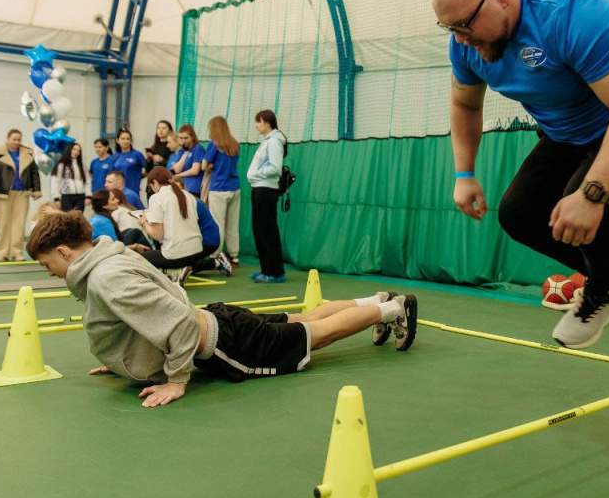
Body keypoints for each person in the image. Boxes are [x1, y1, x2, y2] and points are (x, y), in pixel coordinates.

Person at [432, 0, 609, 350]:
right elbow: (465, 104)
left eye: (464, 25)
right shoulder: (465, 43)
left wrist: (591, 194)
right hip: (567, 134)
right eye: (449, 28)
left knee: (588, 212)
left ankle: (603, 289)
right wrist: (464, 174)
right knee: (518, 214)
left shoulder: (575, 12)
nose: (461, 39)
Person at [26, 210, 418, 407]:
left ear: (63, 251)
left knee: (317, 333)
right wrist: (122, 358)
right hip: (218, 319)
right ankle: (377, 300)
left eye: (48, 265)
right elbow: (158, 304)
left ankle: (394, 309)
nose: (50, 274)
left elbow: (176, 320)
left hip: (226, 343)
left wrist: (177, 380)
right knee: (305, 317)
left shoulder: (106, 278)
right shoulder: (112, 258)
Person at [136, 166, 221, 282]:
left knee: (138, 259)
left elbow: (157, 235)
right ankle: (176, 271)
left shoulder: (156, 198)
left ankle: (173, 272)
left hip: (177, 255)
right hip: (197, 252)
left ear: (154, 182)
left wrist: (144, 222)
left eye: (150, 186)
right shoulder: (189, 196)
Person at [0, 129, 42, 262]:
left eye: (18, 139)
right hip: (3, 194)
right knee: (4, 223)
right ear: (8, 138)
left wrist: (36, 190)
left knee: (19, 223)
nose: (16, 142)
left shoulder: (27, 154)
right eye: (14, 139)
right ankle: (1, 253)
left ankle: (16, 252)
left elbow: (34, 172)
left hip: (22, 193)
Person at [247, 109, 287, 283]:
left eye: (258, 121)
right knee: (259, 229)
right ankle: (266, 268)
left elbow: (275, 168)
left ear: (267, 123)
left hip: (266, 190)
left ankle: (275, 272)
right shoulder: (267, 141)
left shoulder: (274, 142)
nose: (256, 125)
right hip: (259, 189)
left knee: (267, 230)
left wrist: (256, 174)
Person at [202, 115, 241, 265]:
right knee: (232, 224)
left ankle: (216, 255)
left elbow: (205, 165)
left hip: (218, 188)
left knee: (218, 223)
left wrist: (212, 166)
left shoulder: (214, 144)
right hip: (235, 187)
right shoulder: (235, 144)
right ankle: (234, 255)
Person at [51, 143, 90, 213]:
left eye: (78, 150)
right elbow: (55, 181)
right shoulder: (61, 165)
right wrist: (56, 198)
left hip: (80, 196)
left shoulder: (82, 166)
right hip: (66, 196)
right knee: (67, 219)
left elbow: (88, 181)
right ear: (69, 150)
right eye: (74, 149)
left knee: (78, 219)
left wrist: (88, 196)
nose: (76, 152)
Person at [109, 128, 146, 198]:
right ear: (117, 140)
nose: (125, 141)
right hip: (117, 192)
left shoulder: (137, 155)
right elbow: (111, 174)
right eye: (122, 139)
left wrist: (139, 176)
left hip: (132, 191)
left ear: (131, 140)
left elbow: (148, 169)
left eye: (128, 139)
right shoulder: (115, 156)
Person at [172, 124, 205, 198]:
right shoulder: (182, 151)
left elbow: (195, 170)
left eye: (186, 138)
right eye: (181, 138)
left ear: (192, 137)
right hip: (181, 187)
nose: (183, 141)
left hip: (193, 188)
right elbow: (177, 169)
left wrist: (179, 175)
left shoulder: (198, 148)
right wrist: (186, 152)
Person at [145, 120, 173, 200]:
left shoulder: (171, 147)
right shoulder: (153, 147)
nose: (160, 130)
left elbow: (172, 164)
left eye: (164, 128)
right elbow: (148, 170)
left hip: (164, 182)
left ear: (170, 131)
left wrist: (162, 160)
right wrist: (148, 159)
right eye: (158, 128)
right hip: (152, 182)